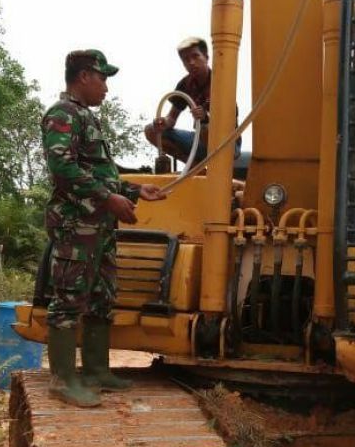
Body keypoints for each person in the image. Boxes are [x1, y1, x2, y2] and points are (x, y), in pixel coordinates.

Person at [40, 49, 165, 408]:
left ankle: (95, 371)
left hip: (100, 226)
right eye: (102, 78)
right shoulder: (62, 114)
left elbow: (98, 173)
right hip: (77, 224)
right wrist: (108, 198)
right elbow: (62, 168)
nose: (106, 87)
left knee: (100, 296)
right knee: (68, 299)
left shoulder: (85, 117)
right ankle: (62, 380)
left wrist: (135, 189)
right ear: (83, 77)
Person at [145, 36, 239, 165]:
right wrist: (163, 122)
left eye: (195, 56)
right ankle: (194, 168)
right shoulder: (184, 85)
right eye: (186, 60)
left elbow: (230, 119)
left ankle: (217, 170)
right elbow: (172, 118)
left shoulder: (220, 81)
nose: (191, 62)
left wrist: (206, 117)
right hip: (200, 141)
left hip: (228, 144)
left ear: (206, 57)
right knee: (151, 130)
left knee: (205, 128)